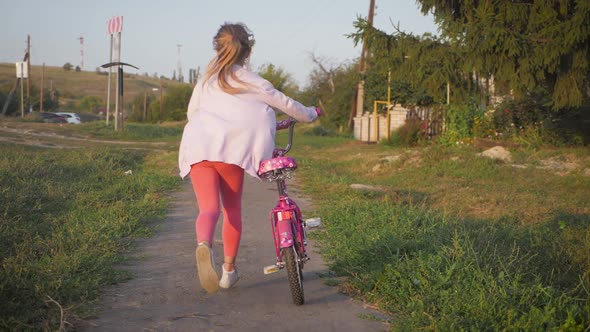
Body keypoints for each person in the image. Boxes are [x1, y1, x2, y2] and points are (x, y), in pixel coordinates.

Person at [178, 22, 322, 293]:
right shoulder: (252, 80)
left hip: (198, 147)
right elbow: (287, 104)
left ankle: (203, 245)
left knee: (208, 209)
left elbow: (191, 113)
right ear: (248, 51)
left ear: (217, 47)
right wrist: (311, 113)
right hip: (230, 151)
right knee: (231, 210)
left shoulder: (205, 80)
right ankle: (228, 272)